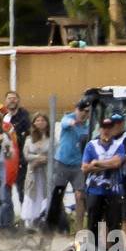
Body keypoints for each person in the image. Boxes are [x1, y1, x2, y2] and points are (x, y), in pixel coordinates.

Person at [81, 115, 126, 235]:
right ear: (100, 129)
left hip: (114, 191)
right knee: (93, 224)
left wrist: (97, 163)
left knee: (114, 226)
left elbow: (117, 163)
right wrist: (108, 164)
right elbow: (85, 167)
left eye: (109, 128)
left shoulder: (119, 145)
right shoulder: (91, 145)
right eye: (104, 128)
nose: (106, 131)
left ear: (113, 129)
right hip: (94, 190)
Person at [52, 99, 92, 234]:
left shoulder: (89, 126)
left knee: (80, 196)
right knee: (58, 195)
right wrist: (74, 122)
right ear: (76, 109)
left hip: (78, 166)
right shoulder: (68, 119)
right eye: (81, 110)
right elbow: (65, 123)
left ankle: (79, 228)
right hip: (62, 163)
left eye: (86, 111)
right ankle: (59, 226)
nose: (83, 114)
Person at [20, 113, 52, 230]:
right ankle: (30, 220)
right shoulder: (29, 139)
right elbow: (26, 155)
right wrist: (37, 158)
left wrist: (45, 159)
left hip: (45, 170)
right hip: (33, 171)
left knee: (44, 193)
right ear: (34, 123)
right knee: (31, 193)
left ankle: (43, 219)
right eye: (37, 120)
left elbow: (54, 153)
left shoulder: (51, 139)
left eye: (42, 120)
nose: (40, 122)